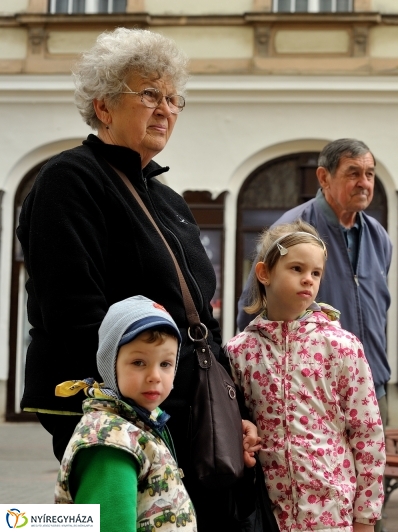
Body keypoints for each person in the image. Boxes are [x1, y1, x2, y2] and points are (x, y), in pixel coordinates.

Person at [15, 28, 256, 531]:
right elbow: (73, 312)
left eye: (172, 98)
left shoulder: (166, 198)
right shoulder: (69, 180)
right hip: (118, 410)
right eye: (149, 94)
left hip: (188, 406)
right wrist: (139, 402)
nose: (165, 109)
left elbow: (200, 315)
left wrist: (232, 409)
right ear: (103, 107)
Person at [228, 221, 385, 532]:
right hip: (266, 514)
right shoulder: (240, 351)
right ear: (264, 273)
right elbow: (236, 425)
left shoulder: (341, 347)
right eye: (297, 268)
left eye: (316, 273)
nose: (308, 279)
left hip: (331, 513)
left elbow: (367, 433)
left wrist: (366, 517)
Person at [236, 139, 391, 434]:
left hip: (372, 386)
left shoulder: (378, 236)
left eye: (370, 174)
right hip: (310, 391)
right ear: (324, 177)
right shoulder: (292, 229)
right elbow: (252, 307)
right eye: (353, 173)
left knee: (369, 461)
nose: (364, 183)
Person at [54, 296, 196, 531]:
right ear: (110, 364)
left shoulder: (141, 422)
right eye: (139, 362)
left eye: (165, 364)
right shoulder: (109, 443)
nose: (154, 376)